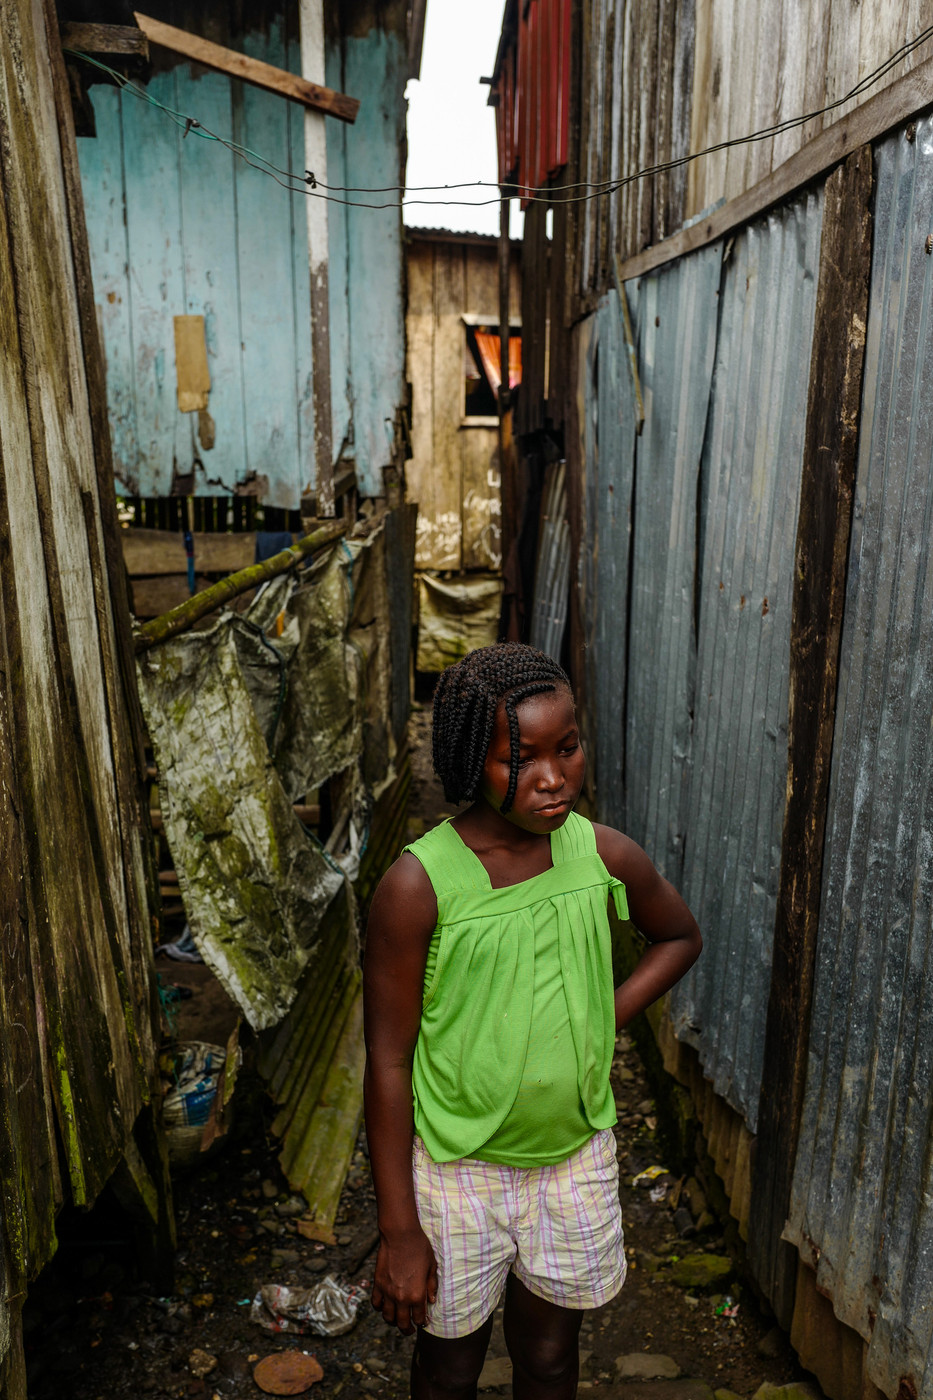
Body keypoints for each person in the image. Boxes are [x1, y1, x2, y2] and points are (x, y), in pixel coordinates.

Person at [363, 643, 702, 1400]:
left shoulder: (601, 856)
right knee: (449, 1365)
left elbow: (679, 937)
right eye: (518, 758)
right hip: (457, 1170)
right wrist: (397, 1229)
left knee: (548, 1356)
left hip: (571, 1159)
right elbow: (386, 1061)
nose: (552, 778)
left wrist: (601, 1014)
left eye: (567, 748)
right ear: (465, 761)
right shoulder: (418, 886)